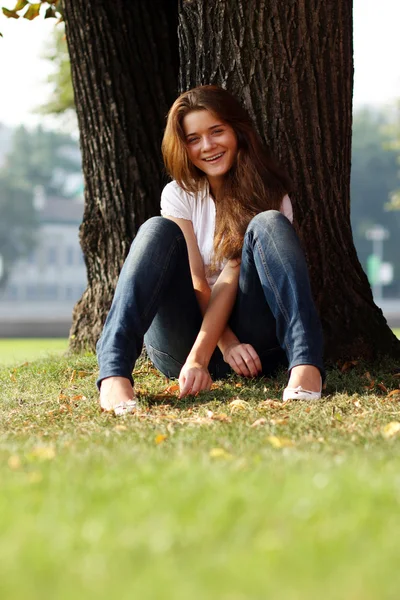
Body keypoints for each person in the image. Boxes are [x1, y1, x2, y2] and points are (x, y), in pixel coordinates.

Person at [97, 85, 325, 415]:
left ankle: (307, 364)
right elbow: (198, 283)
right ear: (184, 146)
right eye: (194, 138)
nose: (207, 146)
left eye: (217, 131)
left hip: (255, 347)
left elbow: (230, 276)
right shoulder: (178, 195)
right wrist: (207, 353)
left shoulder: (268, 193)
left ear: (237, 131)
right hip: (183, 344)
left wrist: (232, 346)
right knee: (156, 230)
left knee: (271, 222)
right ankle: (114, 373)